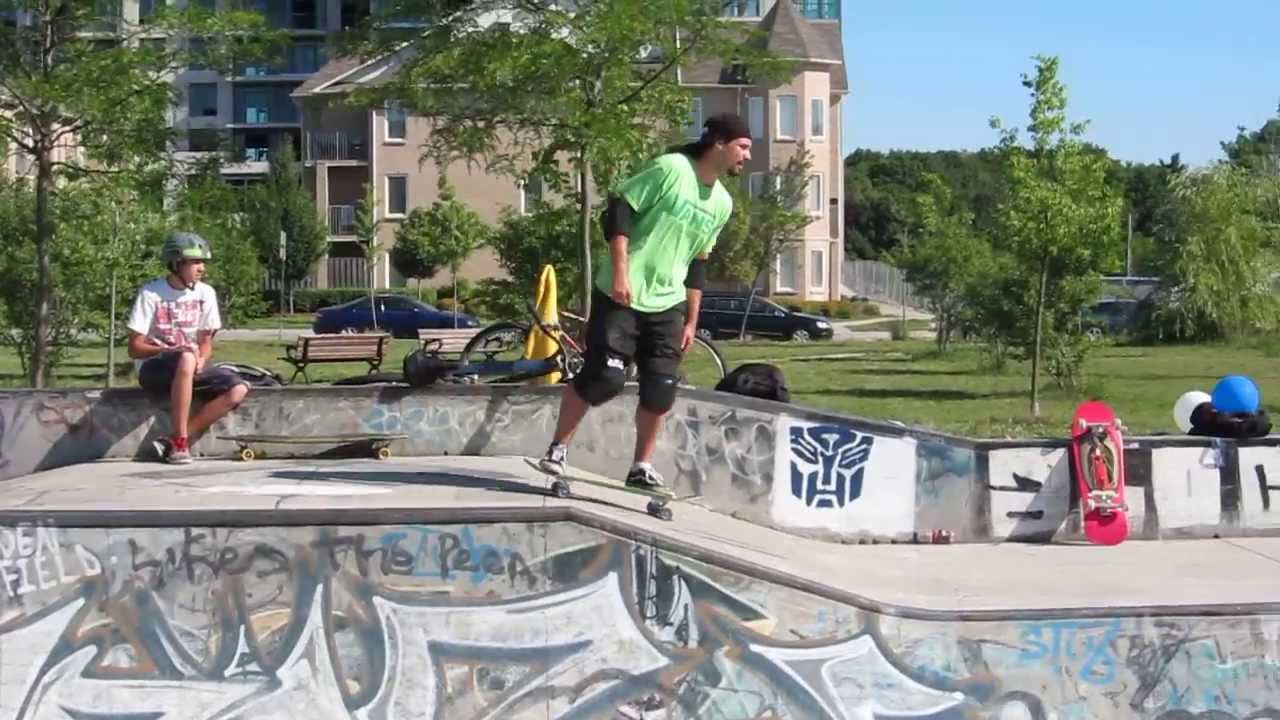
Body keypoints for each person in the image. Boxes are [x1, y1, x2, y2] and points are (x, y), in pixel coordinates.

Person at [538, 112, 752, 489]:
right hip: (622, 294)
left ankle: (640, 467)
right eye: (743, 147)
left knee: (661, 388)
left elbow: (699, 263)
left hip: (669, 304)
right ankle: (558, 448)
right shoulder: (671, 169)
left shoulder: (721, 203)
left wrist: (691, 321)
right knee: (605, 378)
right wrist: (621, 272)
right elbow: (619, 209)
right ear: (719, 142)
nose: (747, 156)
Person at [127, 231, 250, 464]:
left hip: (191, 366)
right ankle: (182, 444)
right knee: (185, 356)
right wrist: (167, 350)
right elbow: (134, 349)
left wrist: (202, 360)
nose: (202, 268)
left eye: (203, 262)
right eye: (195, 262)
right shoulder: (151, 294)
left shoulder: (206, 293)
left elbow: (205, 343)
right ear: (176, 264)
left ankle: (173, 440)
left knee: (238, 389)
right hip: (155, 368)